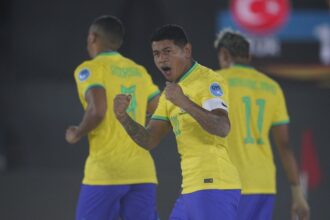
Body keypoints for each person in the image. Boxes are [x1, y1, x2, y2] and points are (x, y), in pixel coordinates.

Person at [114, 24, 241, 220]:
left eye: (167, 51)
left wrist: (184, 102)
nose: (161, 58)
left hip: (214, 184)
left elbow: (222, 126)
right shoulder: (170, 94)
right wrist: (124, 118)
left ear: (187, 50)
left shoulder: (207, 80)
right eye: (156, 54)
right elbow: (149, 140)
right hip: (191, 188)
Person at [65, 15, 160, 220]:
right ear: (118, 42)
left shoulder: (90, 69)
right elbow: (159, 108)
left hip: (106, 172)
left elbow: (97, 110)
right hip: (143, 172)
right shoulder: (138, 71)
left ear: (92, 38)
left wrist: (77, 132)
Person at [214, 29, 310, 220]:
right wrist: (298, 195)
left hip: (226, 184)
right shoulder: (272, 87)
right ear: (248, 55)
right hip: (264, 185)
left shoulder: (215, 82)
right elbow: (284, 146)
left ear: (224, 55)